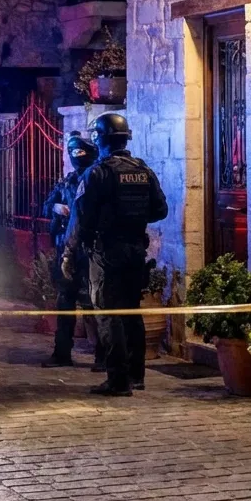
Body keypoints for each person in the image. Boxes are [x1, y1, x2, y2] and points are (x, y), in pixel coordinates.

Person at [63, 113, 167, 397]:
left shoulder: (97, 173)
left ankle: (118, 380)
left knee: (109, 313)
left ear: (99, 139)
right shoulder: (142, 170)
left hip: (106, 253)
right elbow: (160, 210)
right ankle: (137, 375)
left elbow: (80, 218)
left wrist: (69, 253)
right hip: (135, 250)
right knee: (131, 311)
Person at [41, 133, 101, 369]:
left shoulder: (98, 180)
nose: (76, 158)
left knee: (92, 302)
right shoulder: (67, 182)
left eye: (80, 153)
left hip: (90, 250)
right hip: (67, 248)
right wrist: (57, 208)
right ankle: (62, 352)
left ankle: (102, 355)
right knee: (65, 300)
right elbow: (47, 206)